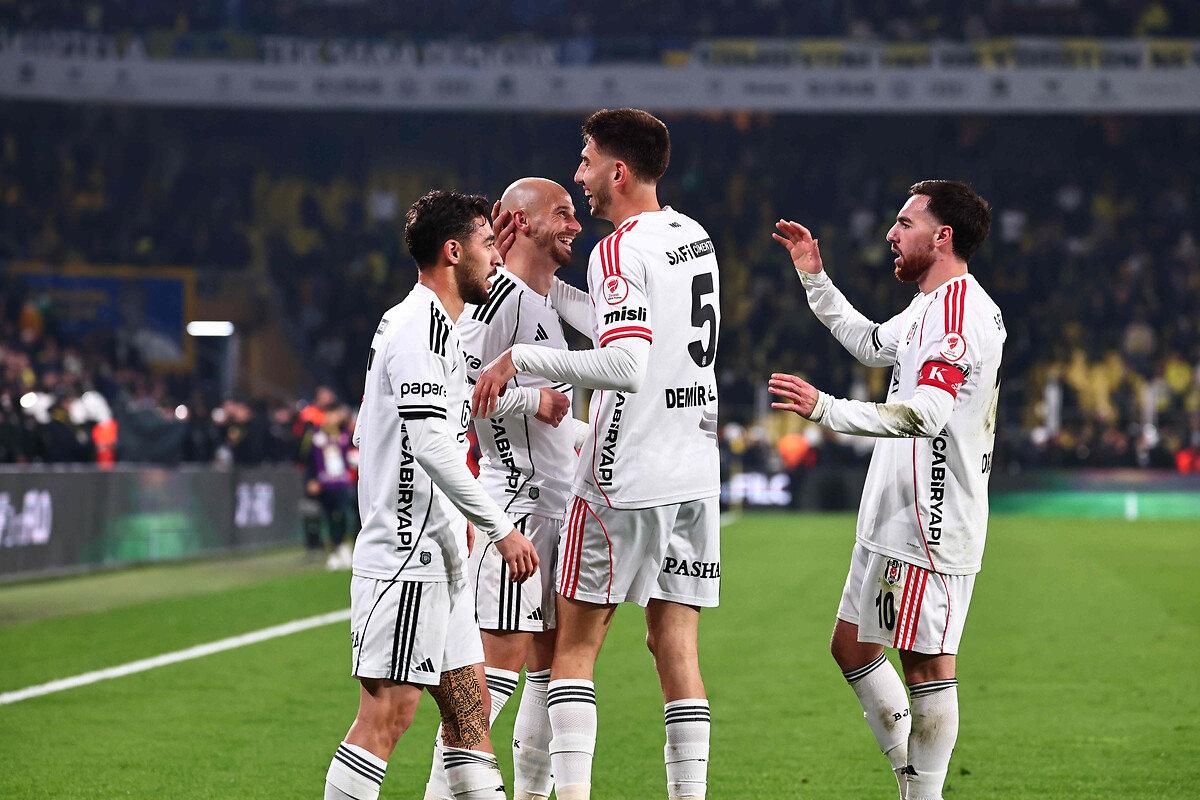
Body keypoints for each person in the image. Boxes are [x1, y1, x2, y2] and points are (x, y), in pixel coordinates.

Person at [473, 109, 722, 800]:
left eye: (585, 162)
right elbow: (633, 329)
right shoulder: (693, 235)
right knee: (675, 651)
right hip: (694, 471)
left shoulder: (618, 250)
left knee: (570, 655)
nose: (579, 177)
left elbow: (626, 365)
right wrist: (535, 281)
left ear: (617, 170)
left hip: (624, 475)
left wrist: (523, 360)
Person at [768, 180, 1004, 800]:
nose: (891, 235)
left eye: (905, 223)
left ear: (942, 236)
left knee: (927, 669)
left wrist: (826, 409)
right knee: (851, 646)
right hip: (892, 513)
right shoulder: (929, 304)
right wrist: (815, 278)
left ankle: (923, 792)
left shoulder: (959, 313)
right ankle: (912, 780)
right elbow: (873, 345)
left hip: (931, 517)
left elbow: (926, 413)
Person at [323, 189, 539, 800]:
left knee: (470, 717)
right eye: (487, 245)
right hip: (404, 558)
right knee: (386, 717)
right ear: (452, 251)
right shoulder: (417, 327)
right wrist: (501, 528)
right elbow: (430, 446)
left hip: (440, 559)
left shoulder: (437, 325)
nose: (495, 257)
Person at [423, 177, 589, 800]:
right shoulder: (496, 300)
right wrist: (530, 400)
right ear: (519, 222)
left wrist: (581, 433)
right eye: (561, 213)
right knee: (489, 681)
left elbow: (557, 413)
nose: (575, 224)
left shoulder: (543, 302)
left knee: (548, 675)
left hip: (553, 505)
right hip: (514, 505)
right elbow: (452, 389)